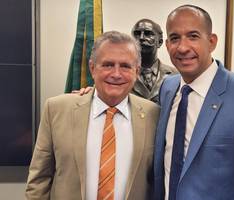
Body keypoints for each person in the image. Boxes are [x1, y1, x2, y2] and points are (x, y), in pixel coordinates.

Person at [153, 5, 234, 200]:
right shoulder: (167, 87)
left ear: (211, 42)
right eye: (175, 38)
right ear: (167, 45)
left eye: (193, 36)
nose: (183, 47)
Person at [25, 31, 159, 200]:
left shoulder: (153, 115)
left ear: (137, 71)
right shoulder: (56, 109)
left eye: (125, 66)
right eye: (108, 65)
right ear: (92, 67)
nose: (116, 74)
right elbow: (39, 180)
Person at [131, 18, 178, 103]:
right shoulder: (123, 75)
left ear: (159, 42)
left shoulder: (176, 75)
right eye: (137, 34)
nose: (141, 38)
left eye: (148, 33)